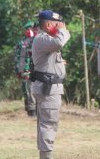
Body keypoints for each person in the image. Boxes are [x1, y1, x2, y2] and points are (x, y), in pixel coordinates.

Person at [31, 10, 70, 159]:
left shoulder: (46, 39)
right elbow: (60, 42)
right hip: (48, 89)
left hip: (50, 88)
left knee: (47, 124)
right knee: (48, 124)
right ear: (48, 25)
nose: (59, 27)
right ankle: (47, 156)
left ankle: (45, 155)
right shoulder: (42, 39)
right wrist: (63, 30)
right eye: (56, 24)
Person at [15, 21, 36, 117]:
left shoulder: (37, 40)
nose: (29, 31)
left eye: (30, 29)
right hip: (25, 70)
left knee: (33, 90)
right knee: (27, 91)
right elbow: (19, 58)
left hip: (35, 69)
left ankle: (34, 110)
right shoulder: (22, 43)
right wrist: (19, 70)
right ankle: (30, 110)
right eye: (27, 29)